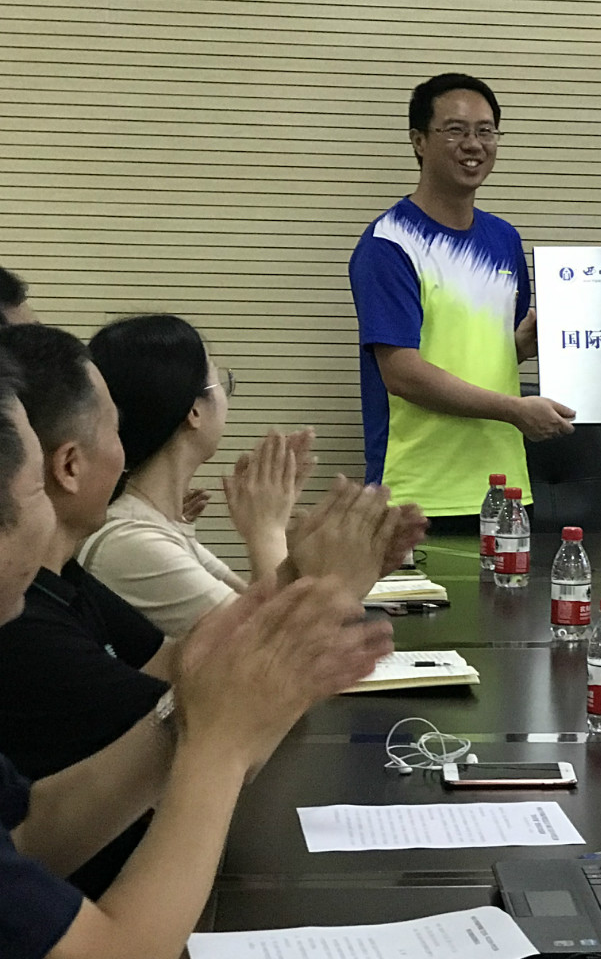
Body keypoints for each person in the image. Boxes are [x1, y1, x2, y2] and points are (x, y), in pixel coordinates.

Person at [0, 346, 398, 959]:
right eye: (33, 491)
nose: (46, 515)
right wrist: (219, 741)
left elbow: (29, 834)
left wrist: (195, 700)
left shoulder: (65, 583)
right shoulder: (35, 632)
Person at [349, 72, 575, 534]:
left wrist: (521, 345)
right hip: (419, 494)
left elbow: (477, 357)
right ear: (419, 140)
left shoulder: (504, 239)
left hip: (505, 488)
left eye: (485, 131)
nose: (473, 144)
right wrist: (516, 410)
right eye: (455, 130)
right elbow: (402, 372)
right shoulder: (389, 243)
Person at [78, 315, 319, 637]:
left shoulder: (158, 523)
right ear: (193, 410)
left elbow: (251, 605)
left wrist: (302, 547)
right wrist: (266, 530)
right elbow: (276, 643)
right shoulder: (130, 543)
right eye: (220, 382)